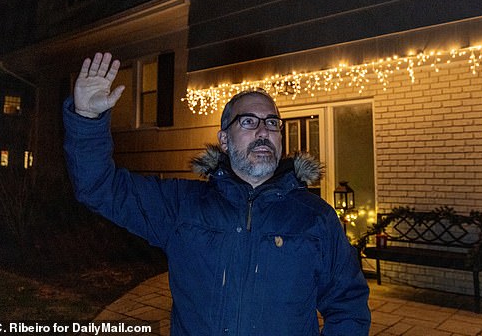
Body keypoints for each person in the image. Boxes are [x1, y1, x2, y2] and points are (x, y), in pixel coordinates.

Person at [63, 52, 371, 335]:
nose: (263, 131)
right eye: (248, 122)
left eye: (272, 123)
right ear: (224, 139)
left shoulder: (315, 217)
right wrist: (87, 122)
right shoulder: (182, 205)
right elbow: (100, 188)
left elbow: (348, 305)